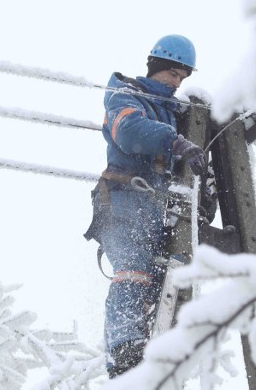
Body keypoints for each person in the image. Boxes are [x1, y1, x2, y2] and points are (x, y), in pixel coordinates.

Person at [84, 34, 207, 378]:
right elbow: (128, 130)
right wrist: (175, 141)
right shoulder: (126, 95)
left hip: (153, 211)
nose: (176, 83)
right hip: (122, 204)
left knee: (157, 280)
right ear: (155, 67)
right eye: (172, 74)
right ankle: (124, 354)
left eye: (182, 78)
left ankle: (149, 352)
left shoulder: (173, 113)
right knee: (134, 270)